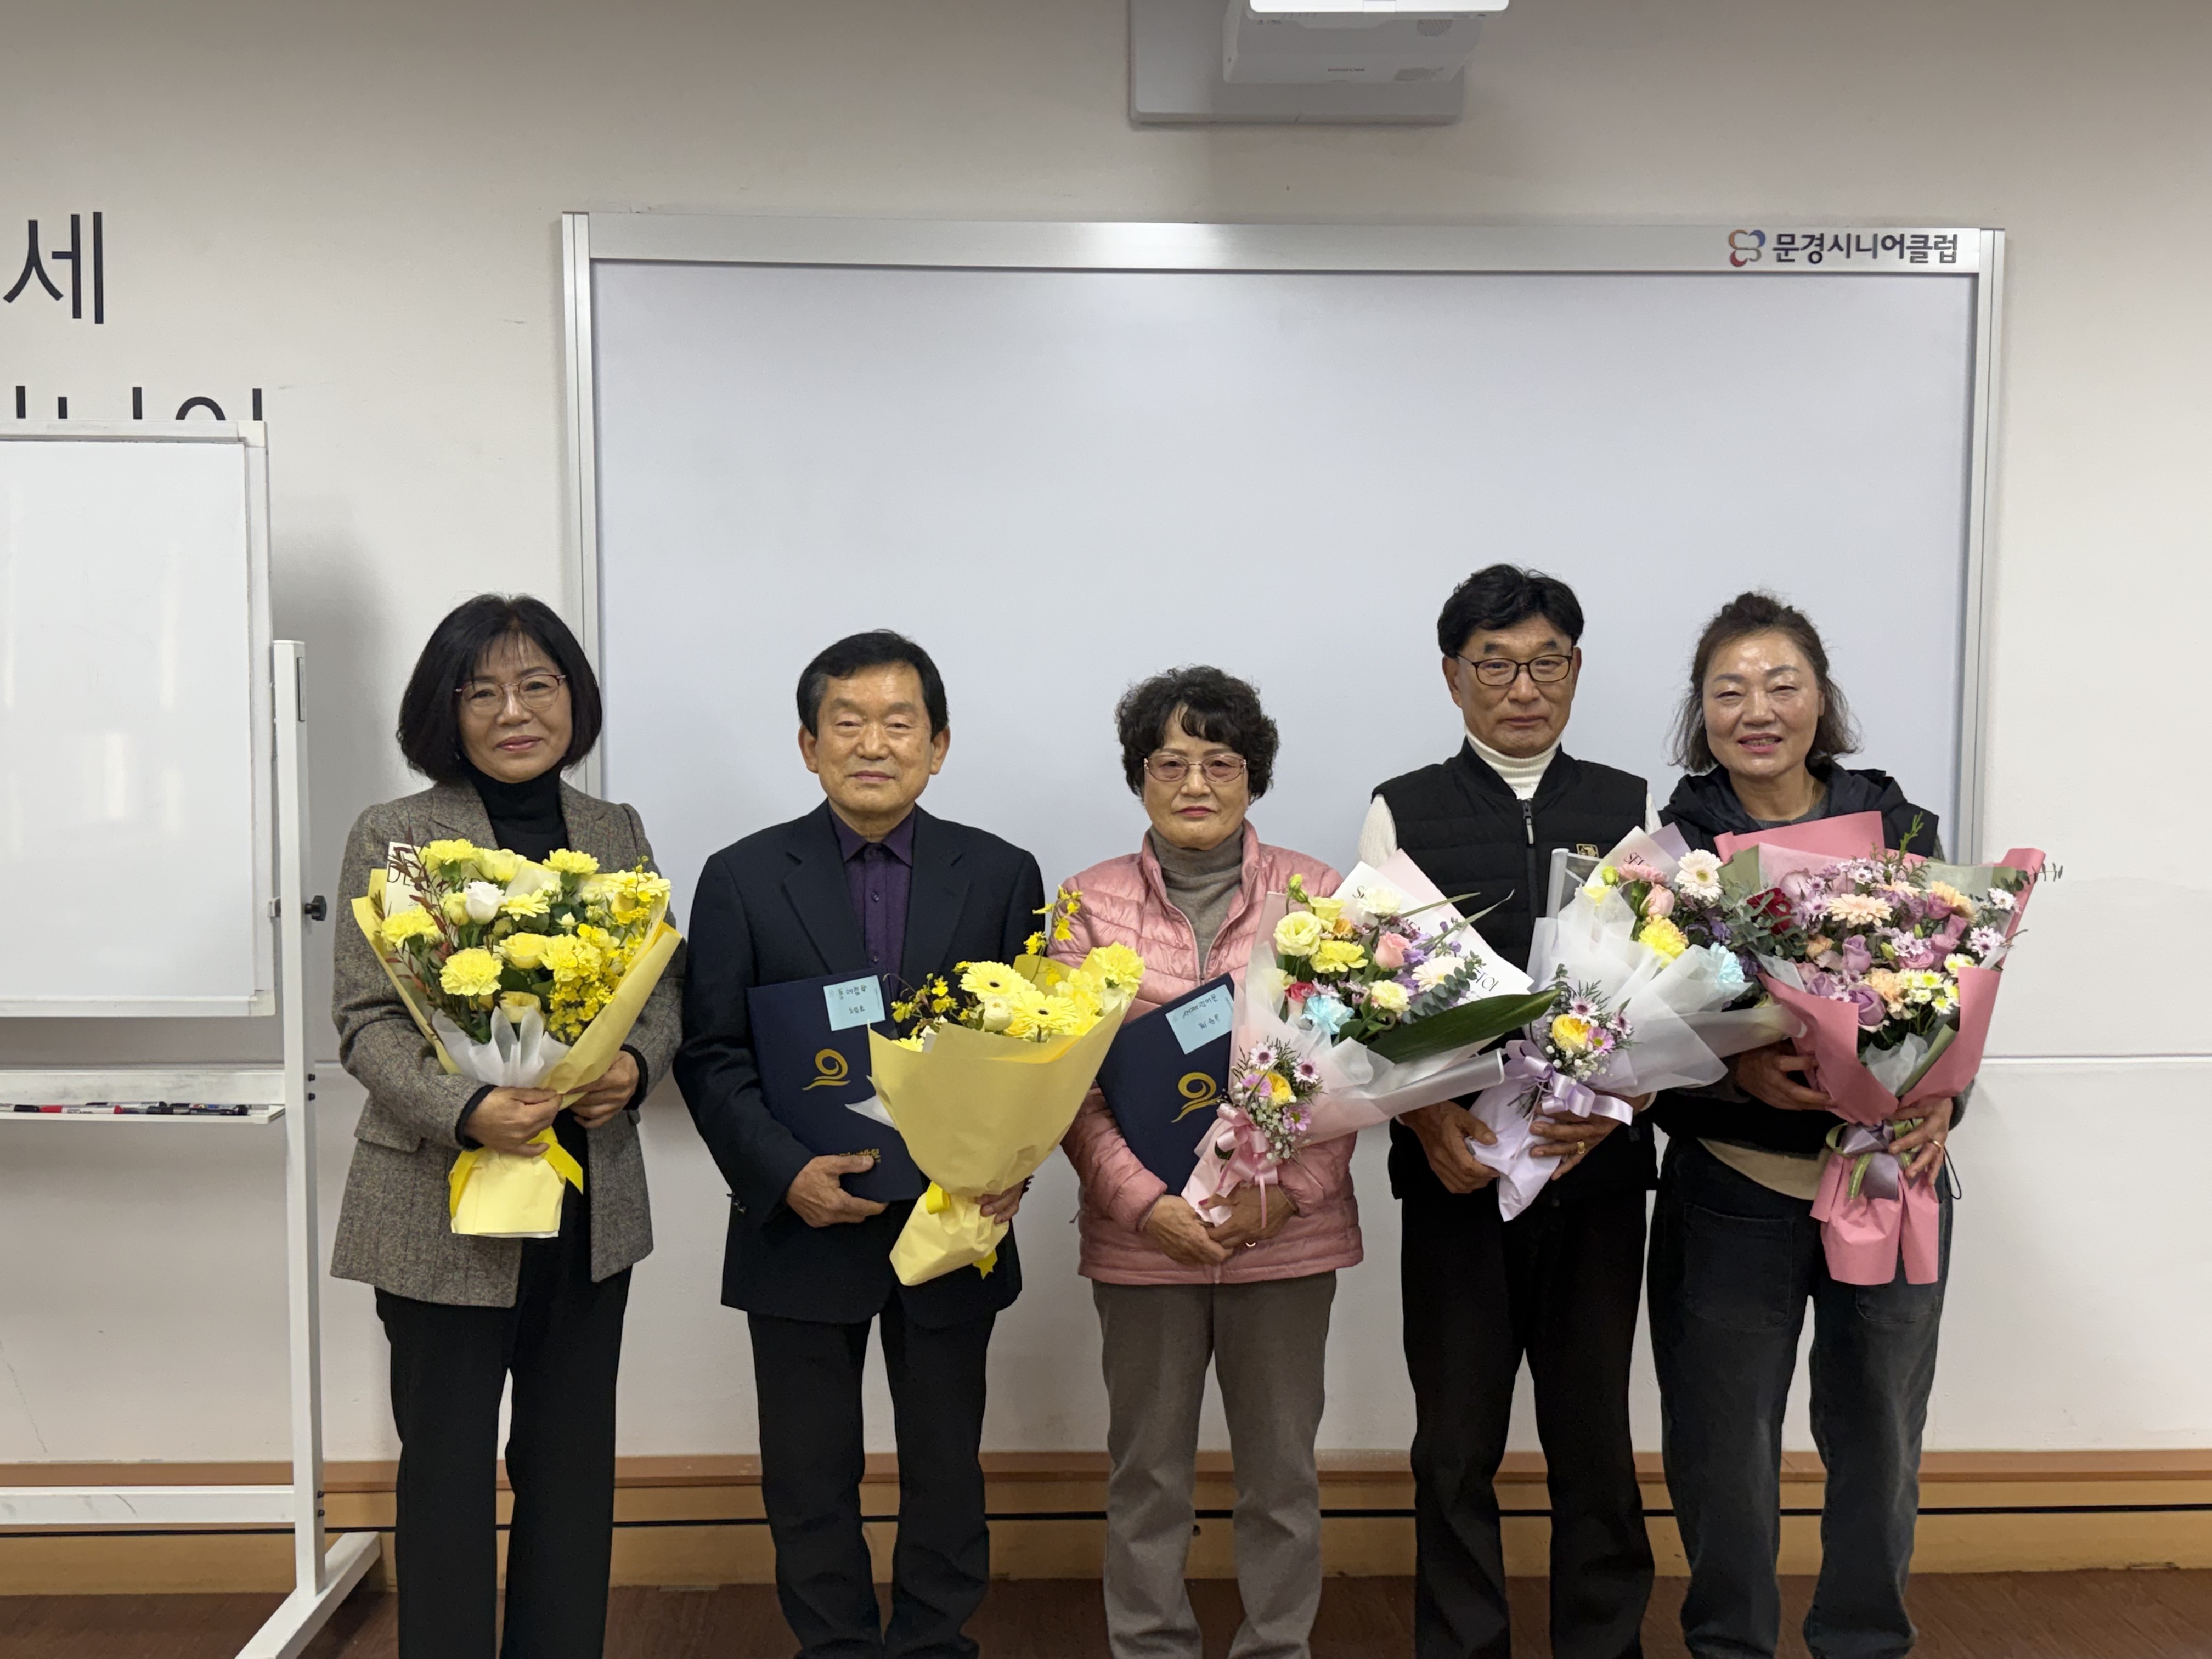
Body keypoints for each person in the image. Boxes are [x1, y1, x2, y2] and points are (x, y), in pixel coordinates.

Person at [674, 630, 1043, 1659]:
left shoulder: (1001, 872)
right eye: (847, 722)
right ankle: (833, 1647)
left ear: (939, 745)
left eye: (898, 723)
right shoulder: (743, 877)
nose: (872, 744)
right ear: (809, 745)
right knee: (808, 1474)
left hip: (952, 1221)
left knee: (946, 1468)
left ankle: (935, 1642)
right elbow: (711, 1052)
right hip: (799, 1223)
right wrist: (784, 1172)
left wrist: (1008, 1166)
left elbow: (1038, 1043)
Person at [330, 594, 681, 1659]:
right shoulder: (394, 832)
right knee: (444, 1470)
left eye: (537, 684)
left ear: (573, 697)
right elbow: (366, 1019)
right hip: (437, 1205)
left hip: (586, 1200)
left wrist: (634, 1064)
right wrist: (469, 1109)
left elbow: (661, 985)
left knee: (572, 1469)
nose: (513, 711)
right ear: (444, 711)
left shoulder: (615, 830)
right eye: (480, 692)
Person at [1357, 565, 1657, 1659]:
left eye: (1546, 662)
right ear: (1453, 677)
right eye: (1495, 664)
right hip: (1459, 1171)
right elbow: (1362, 993)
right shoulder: (1403, 808)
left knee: (1595, 1439)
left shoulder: (1631, 808)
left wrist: (1622, 1103)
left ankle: (1603, 1644)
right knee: (1454, 1444)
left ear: (1576, 670)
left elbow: (1673, 984)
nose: (1523, 688)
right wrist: (1423, 1122)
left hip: (1595, 1173)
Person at [1649, 590, 1953, 1659]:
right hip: (1734, 1186)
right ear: (1702, 713)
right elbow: (1634, 1042)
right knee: (1722, 1447)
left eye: (1783, 684)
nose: (1758, 709)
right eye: (1729, 690)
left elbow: (1949, 991)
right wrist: (1738, 1078)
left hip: (1889, 1177)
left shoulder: (1902, 832)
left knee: (1881, 1437)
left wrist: (1944, 1094)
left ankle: (1864, 1641)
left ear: (1822, 700)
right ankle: (1730, 1645)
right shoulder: (1673, 853)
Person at [1055, 667, 1355, 1659]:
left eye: (1220, 763)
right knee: (1147, 1477)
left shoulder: (1317, 895)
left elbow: (1360, 1066)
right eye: (1170, 762)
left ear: (1253, 776)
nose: (1195, 784)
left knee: (1282, 1477)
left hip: (1286, 1240)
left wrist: (1288, 1196)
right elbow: (1066, 1088)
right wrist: (1145, 1206)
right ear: (1139, 776)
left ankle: (1278, 1648)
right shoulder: (1085, 904)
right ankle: (1149, 1647)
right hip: (1144, 1243)